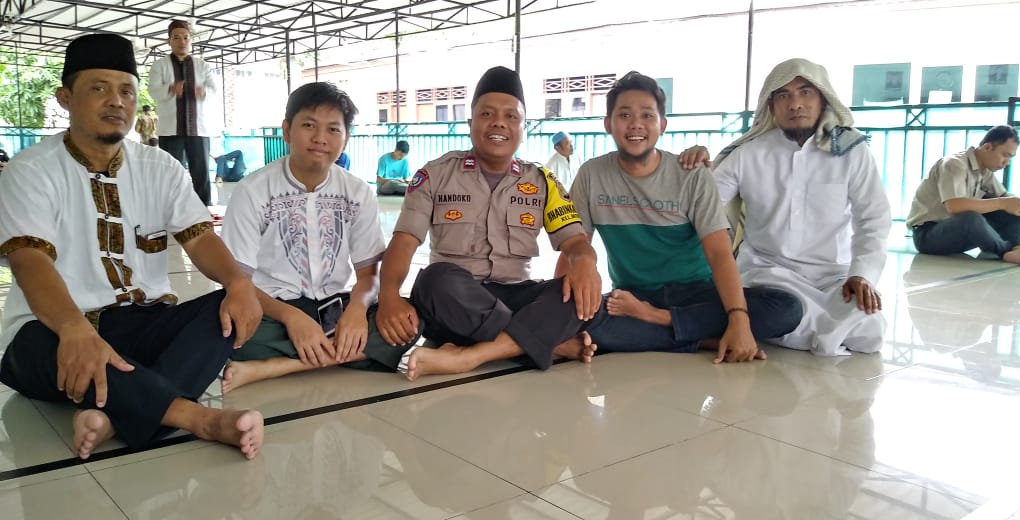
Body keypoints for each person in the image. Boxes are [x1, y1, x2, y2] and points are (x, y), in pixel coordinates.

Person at [0, 34, 264, 460]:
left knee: (223, 311)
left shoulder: (160, 167)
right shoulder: (29, 170)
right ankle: (198, 419)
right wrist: (72, 327)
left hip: (143, 323)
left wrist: (237, 282)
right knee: (36, 347)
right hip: (52, 329)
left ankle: (112, 416)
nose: (116, 101)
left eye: (126, 90)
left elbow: (200, 239)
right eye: (99, 88)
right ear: (65, 98)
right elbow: (31, 263)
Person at [375, 66, 601, 381]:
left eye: (511, 116)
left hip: (515, 293)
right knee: (433, 281)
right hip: (456, 299)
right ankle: (544, 342)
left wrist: (586, 262)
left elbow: (575, 242)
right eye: (488, 114)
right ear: (471, 123)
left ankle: (471, 355)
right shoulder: (436, 175)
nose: (499, 123)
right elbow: (403, 241)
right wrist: (388, 295)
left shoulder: (543, 182)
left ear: (524, 128)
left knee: (580, 297)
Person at [567, 72, 803, 363]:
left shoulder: (691, 174)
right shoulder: (591, 175)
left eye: (647, 115)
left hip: (698, 295)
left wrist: (739, 319)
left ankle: (660, 321)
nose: (636, 124)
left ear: (662, 125)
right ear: (608, 124)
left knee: (787, 308)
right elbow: (574, 244)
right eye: (624, 114)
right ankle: (701, 339)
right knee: (580, 320)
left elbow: (718, 254)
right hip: (633, 297)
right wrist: (562, 307)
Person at [220, 82, 422, 392]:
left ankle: (276, 367)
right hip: (271, 310)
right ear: (287, 130)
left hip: (334, 306)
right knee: (221, 328)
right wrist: (292, 318)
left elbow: (368, 275)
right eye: (309, 126)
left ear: (345, 138)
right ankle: (342, 352)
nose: (320, 139)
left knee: (407, 323)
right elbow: (238, 282)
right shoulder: (253, 191)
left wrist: (356, 309)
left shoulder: (357, 192)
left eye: (332, 129)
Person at [681, 58, 891, 356]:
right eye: (783, 95)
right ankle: (815, 333)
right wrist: (696, 169)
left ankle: (794, 330)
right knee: (782, 311)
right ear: (771, 106)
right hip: (768, 273)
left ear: (823, 99)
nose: (795, 104)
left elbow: (873, 220)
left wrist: (861, 275)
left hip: (833, 276)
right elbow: (704, 204)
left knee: (871, 331)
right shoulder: (748, 153)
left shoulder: (852, 152)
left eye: (805, 92)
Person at [906, 125, 1020, 265]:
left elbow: (1004, 196)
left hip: (959, 232)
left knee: (1017, 211)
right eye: (1005, 155)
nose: (1007, 163)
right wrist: (1004, 202)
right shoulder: (954, 165)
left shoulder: (985, 171)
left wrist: (1019, 202)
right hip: (928, 235)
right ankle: (1005, 252)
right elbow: (955, 206)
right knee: (971, 217)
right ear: (987, 147)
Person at [148, 20, 219, 206]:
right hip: (170, 129)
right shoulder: (160, 65)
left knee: (201, 171)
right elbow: (153, 91)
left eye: (186, 37)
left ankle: (205, 209)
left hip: (199, 129)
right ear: (169, 41)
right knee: (170, 171)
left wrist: (204, 92)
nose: (182, 41)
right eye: (177, 37)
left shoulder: (202, 65)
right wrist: (170, 89)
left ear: (191, 40)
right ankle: (169, 208)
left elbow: (214, 89)